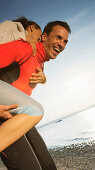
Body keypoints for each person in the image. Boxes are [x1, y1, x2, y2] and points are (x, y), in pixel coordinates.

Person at [0, 20, 71, 170]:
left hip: (20, 115)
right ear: (44, 37)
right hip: (4, 115)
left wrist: (44, 78)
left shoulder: (40, 65)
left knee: (48, 165)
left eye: (65, 41)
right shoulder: (25, 47)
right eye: (58, 38)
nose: (62, 44)